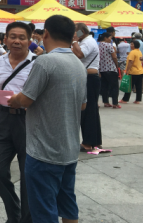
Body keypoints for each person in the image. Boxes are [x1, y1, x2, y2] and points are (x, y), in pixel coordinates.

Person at [9, 15, 87, 223]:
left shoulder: (45, 61)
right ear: (72, 36)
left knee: (44, 210)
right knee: (68, 204)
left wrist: (11, 99)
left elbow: (25, 99)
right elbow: (83, 105)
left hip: (44, 151)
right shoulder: (78, 64)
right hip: (69, 149)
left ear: (46, 34)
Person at [0, 22, 35, 223]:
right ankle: (14, 214)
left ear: (29, 41)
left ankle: (26, 219)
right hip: (3, 119)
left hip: (28, 121)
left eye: (22, 37)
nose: (17, 41)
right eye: (13, 37)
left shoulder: (38, 64)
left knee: (27, 175)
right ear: (5, 39)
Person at [71, 23, 101, 152]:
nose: (74, 34)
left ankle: (88, 142)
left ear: (81, 31)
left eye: (75, 32)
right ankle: (94, 141)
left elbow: (79, 55)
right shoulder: (84, 41)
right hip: (86, 78)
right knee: (90, 110)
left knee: (88, 111)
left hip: (89, 78)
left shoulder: (88, 41)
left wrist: (74, 41)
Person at [98, 32, 120, 109]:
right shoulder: (109, 45)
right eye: (110, 38)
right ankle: (115, 103)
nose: (111, 39)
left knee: (105, 86)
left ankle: (106, 102)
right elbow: (114, 57)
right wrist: (116, 65)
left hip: (102, 68)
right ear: (105, 38)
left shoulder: (99, 45)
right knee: (114, 86)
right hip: (111, 68)